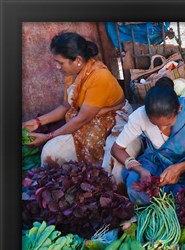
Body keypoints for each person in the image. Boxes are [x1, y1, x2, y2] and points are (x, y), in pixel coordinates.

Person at [22, 32, 133, 166]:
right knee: (50, 153)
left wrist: (47, 136)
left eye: (60, 63)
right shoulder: (72, 73)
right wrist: (38, 122)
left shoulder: (100, 77)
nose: (57, 67)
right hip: (85, 116)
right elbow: (65, 106)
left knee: (111, 163)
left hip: (114, 118)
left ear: (78, 60)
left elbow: (82, 119)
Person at [111, 77, 185, 205]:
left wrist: (180, 168)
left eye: (168, 124)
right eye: (155, 124)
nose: (162, 128)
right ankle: (182, 198)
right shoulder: (140, 116)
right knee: (134, 182)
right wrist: (141, 170)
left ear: (179, 108)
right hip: (159, 164)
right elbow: (117, 149)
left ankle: (172, 197)